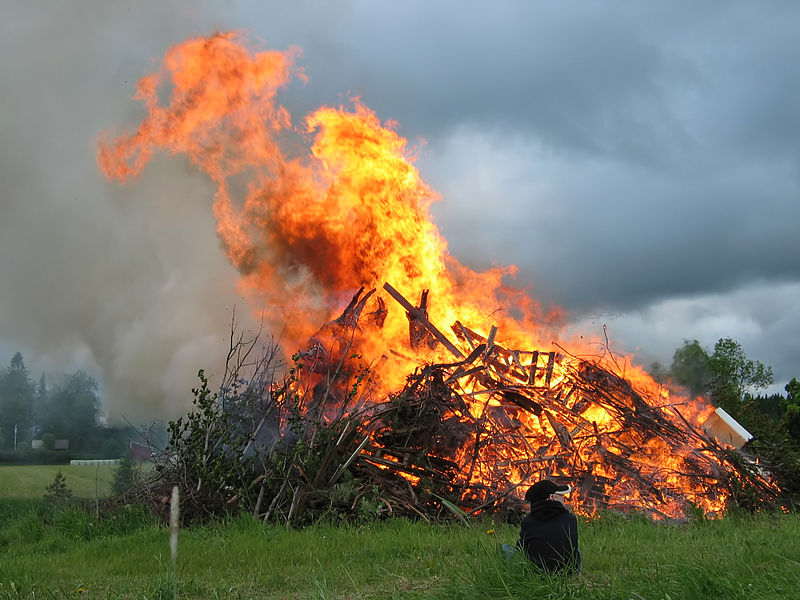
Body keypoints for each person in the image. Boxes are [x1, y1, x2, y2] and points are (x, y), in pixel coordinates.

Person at [517, 479, 581, 574]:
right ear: (551, 497)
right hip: (568, 572)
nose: (563, 499)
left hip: (537, 573)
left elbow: (522, 547)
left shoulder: (527, 521)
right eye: (561, 496)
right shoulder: (570, 518)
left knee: (507, 548)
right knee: (577, 550)